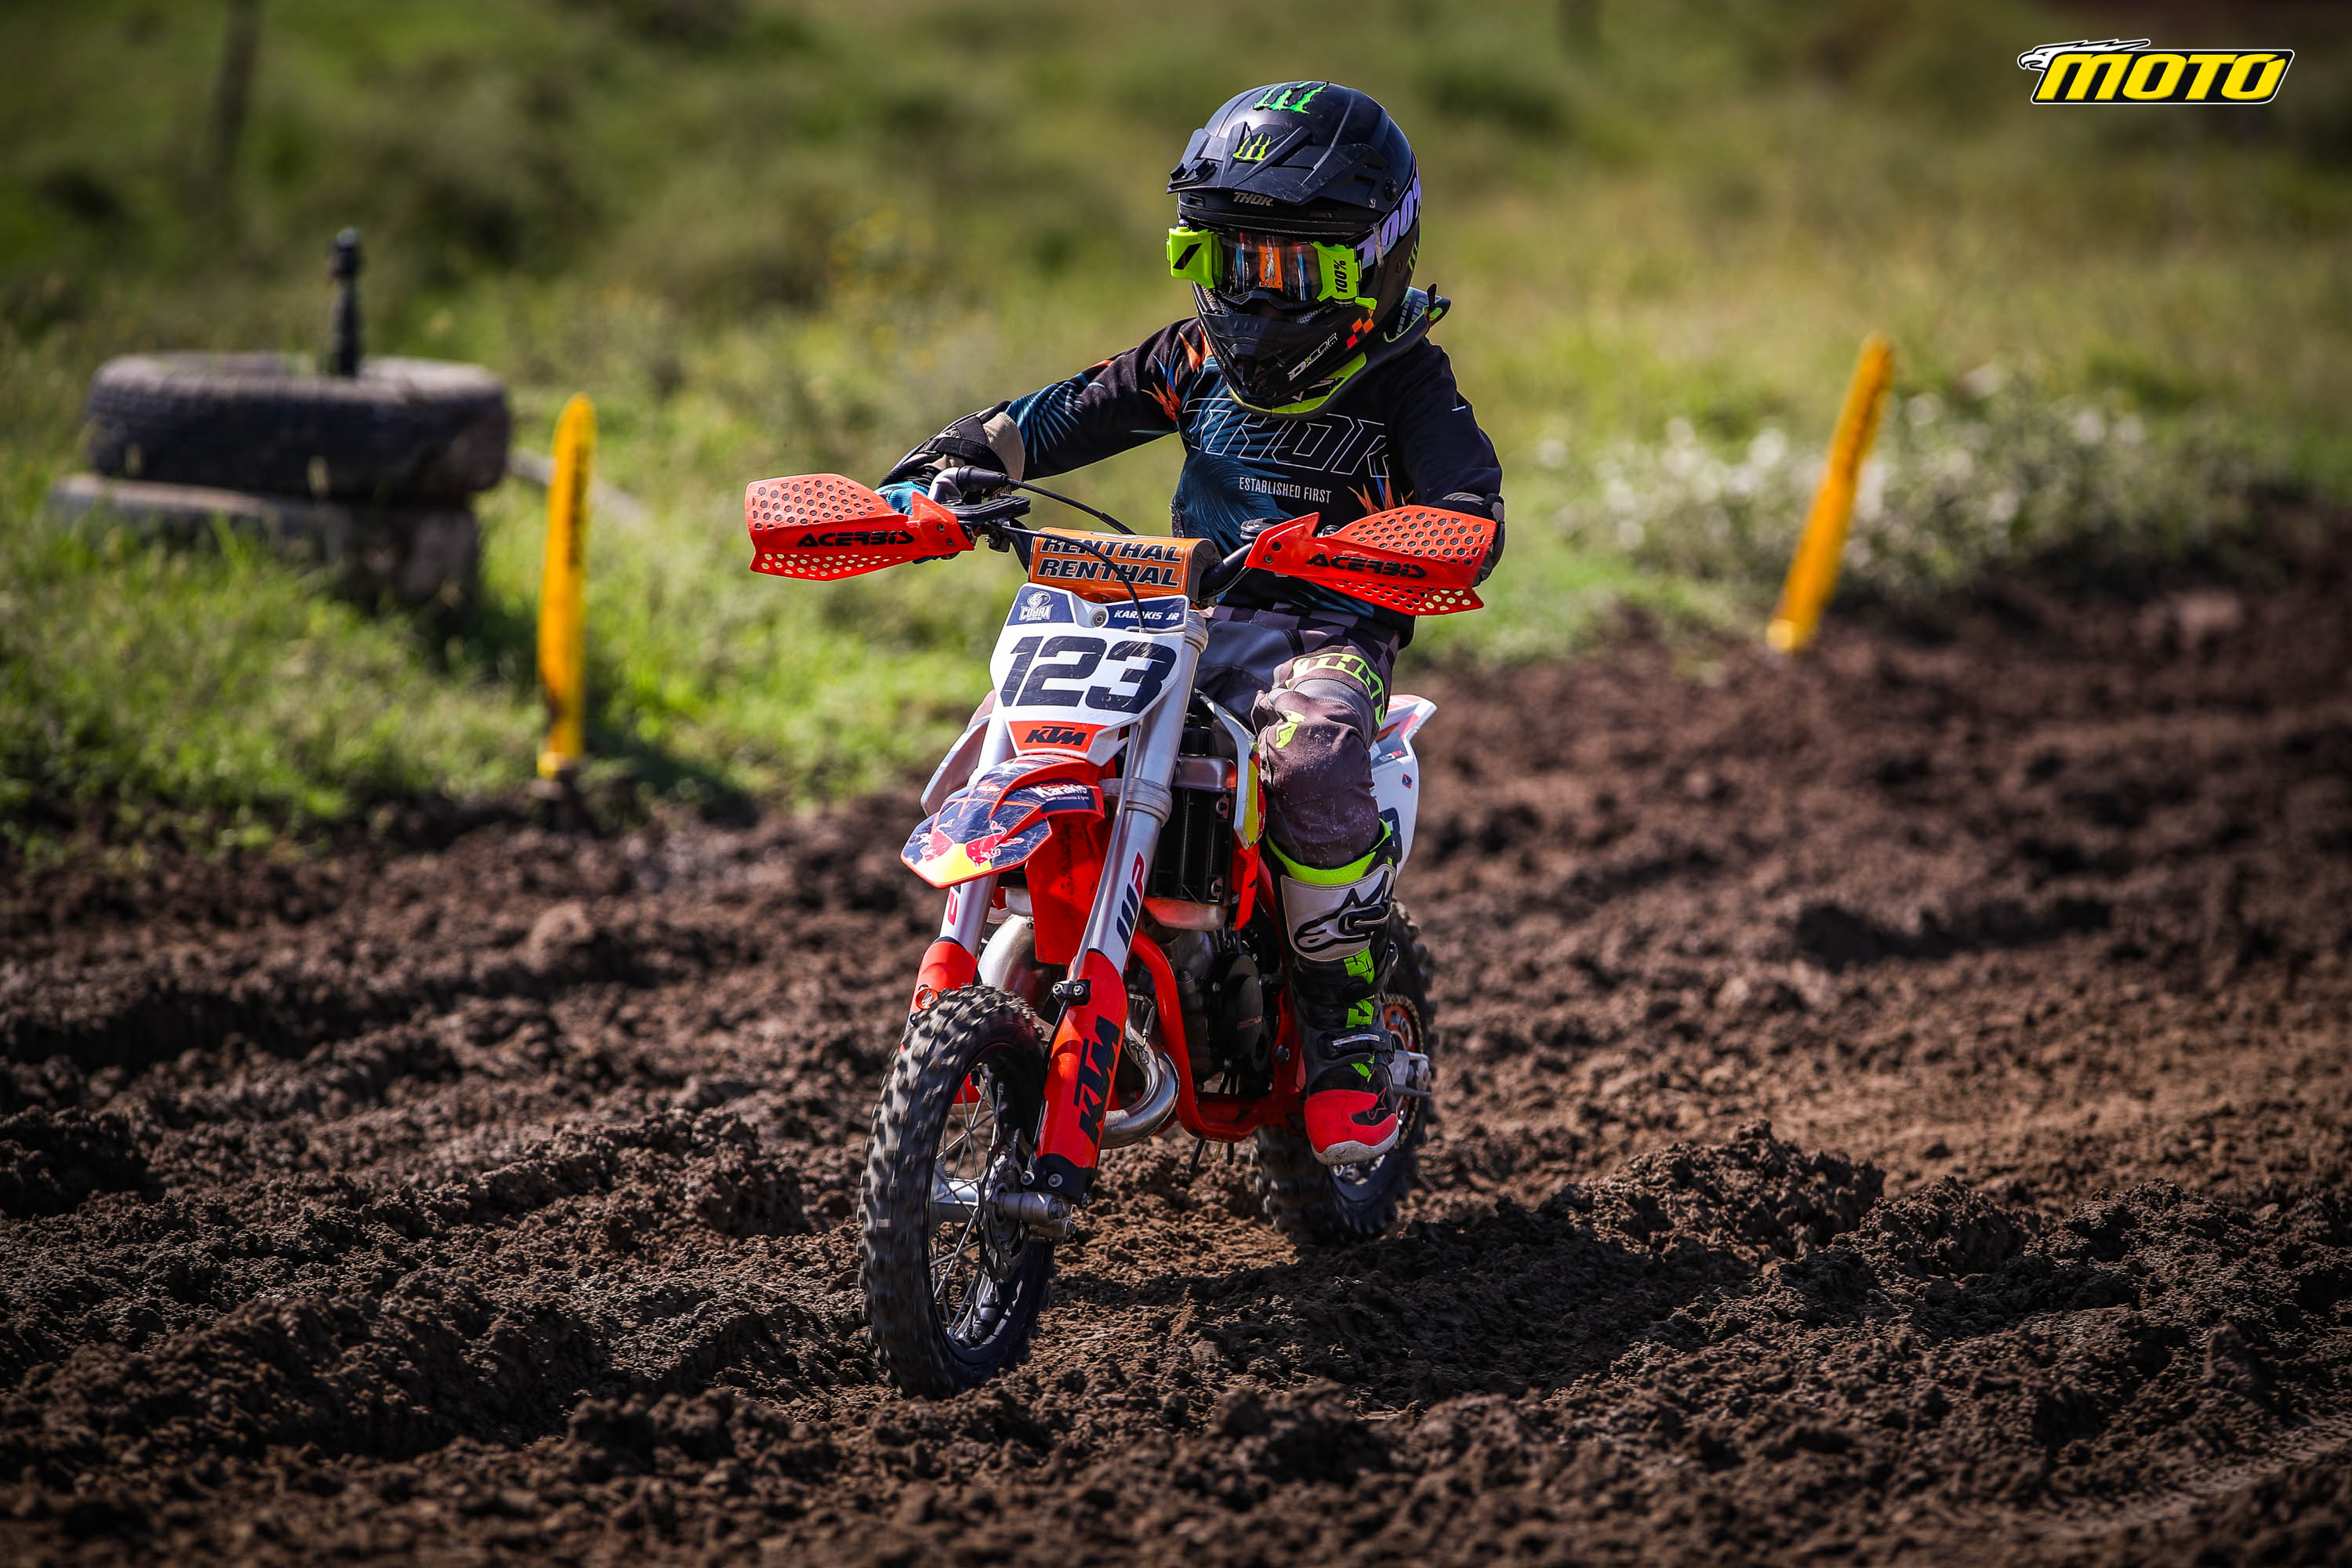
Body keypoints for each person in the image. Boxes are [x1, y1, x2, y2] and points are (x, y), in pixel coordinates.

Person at [882, 82, 1504, 1167]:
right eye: (1230, 260)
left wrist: (1411, 540)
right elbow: (1065, 413)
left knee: (1311, 753)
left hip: (1322, 633)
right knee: (1017, 724)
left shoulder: (1405, 379)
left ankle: (1347, 1028)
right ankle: (1011, 958)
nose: (1257, 293)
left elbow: (1468, 507)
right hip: (1178, 618)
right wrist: (962, 460)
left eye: (1292, 270)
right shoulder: (1193, 359)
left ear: (1373, 262)